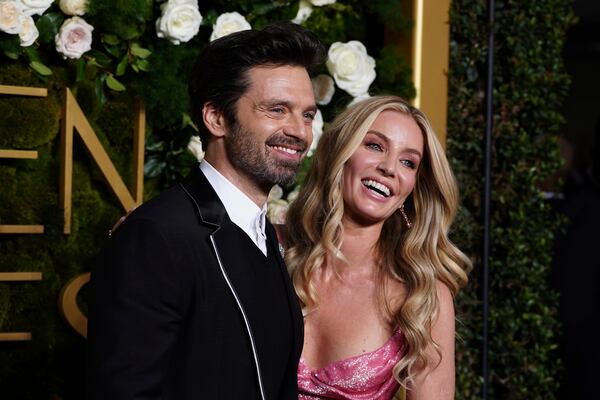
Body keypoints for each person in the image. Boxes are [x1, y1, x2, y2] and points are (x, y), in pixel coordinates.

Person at [86, 22, 325, 400]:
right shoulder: (156, 235)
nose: (299, 131)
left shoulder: (263, 234)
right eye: (277, 109)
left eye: (307, 115)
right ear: (216, 119)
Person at [284, 96, 472, 399]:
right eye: (375, 146)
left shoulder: (422, 296)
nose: (389, 168)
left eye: (408, 162)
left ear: (412, 188)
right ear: (340, 152)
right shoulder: (270, 249)